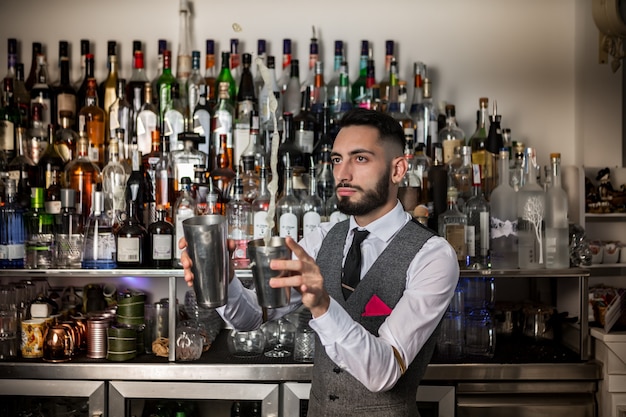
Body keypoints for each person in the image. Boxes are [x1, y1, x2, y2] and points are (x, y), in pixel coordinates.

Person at [180, 107, 459, 417]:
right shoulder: (321, 238)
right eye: (337, 159)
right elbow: (250, 317)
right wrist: (221, 277)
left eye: (360, 158)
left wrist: (323, 305)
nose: (343, 173)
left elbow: (384, 372)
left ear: (397, 170)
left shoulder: (433, 256)